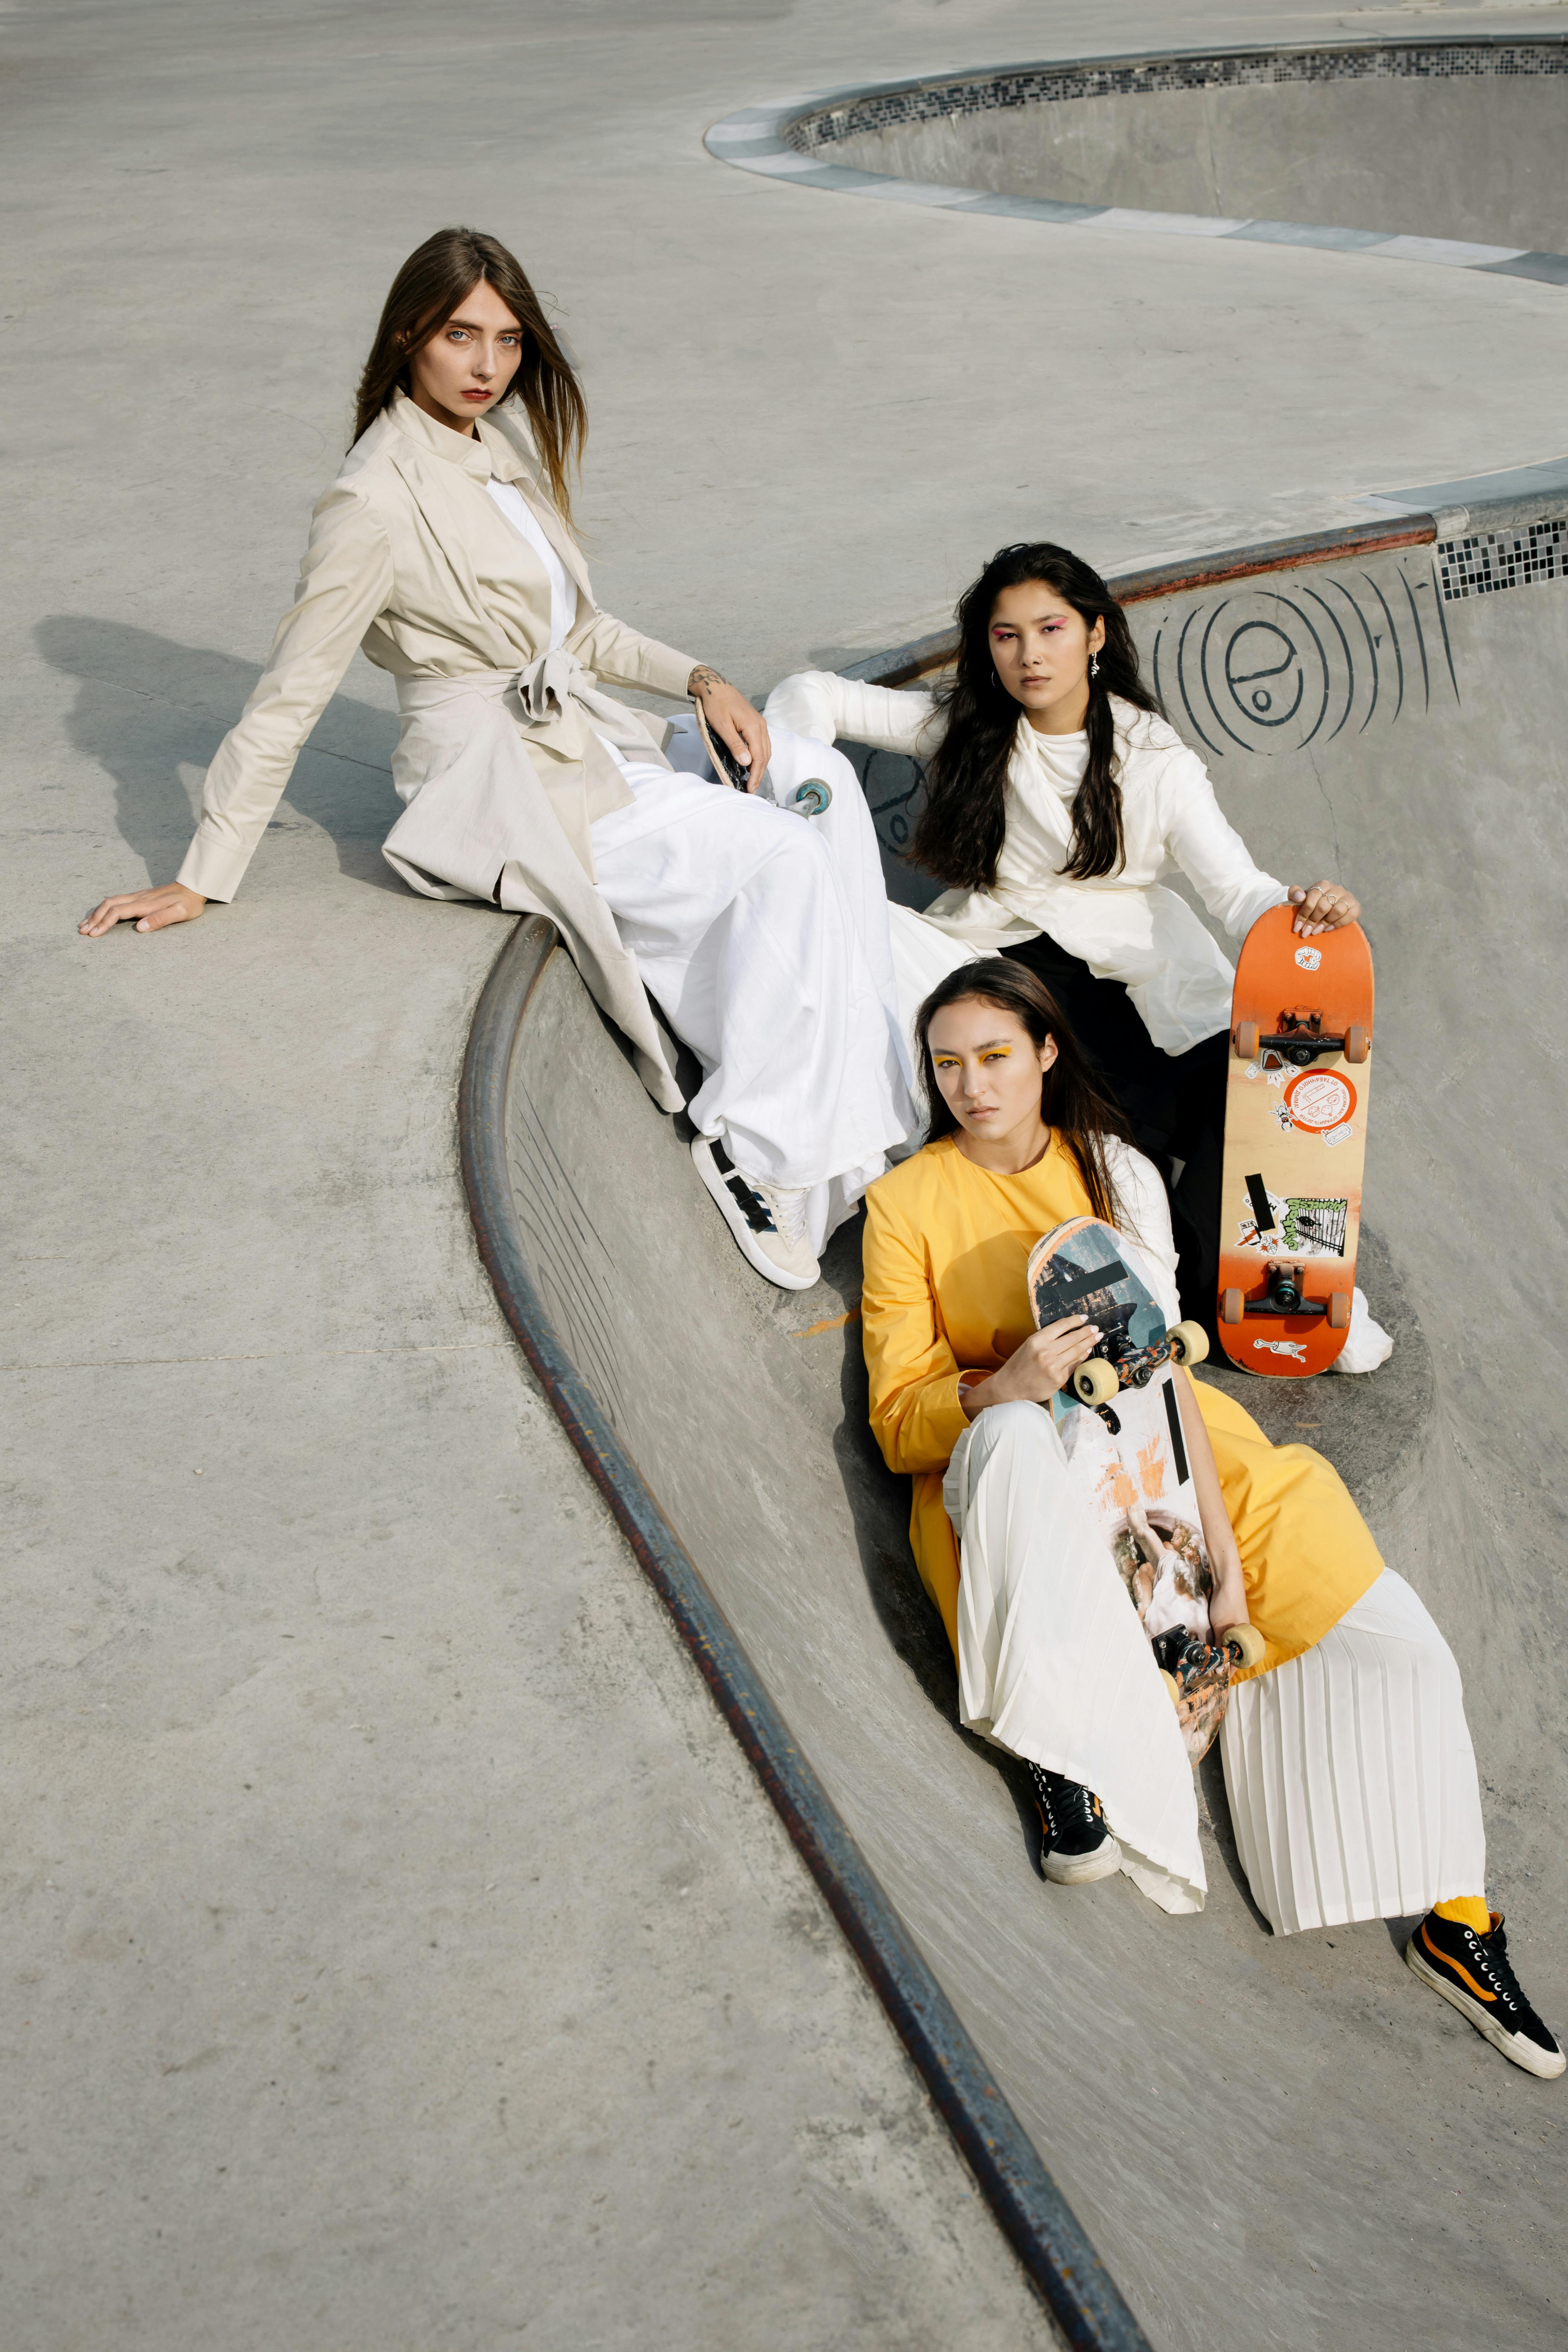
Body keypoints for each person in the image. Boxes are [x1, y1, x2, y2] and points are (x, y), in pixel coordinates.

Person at [80, 226, 915, 1290]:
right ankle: (766, 1158)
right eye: (461, 336)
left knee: (820, 782)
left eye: (509, 341)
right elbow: (291, 691)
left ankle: (871, 1103)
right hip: (500, 779)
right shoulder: (374, 500)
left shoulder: (495, 449)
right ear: (407, 335)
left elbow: (581, 632)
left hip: (581, 736)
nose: (487, 367)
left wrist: (703, 680)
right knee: (781, 858)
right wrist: (206, 871)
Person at [859, 958, 1561, 2079]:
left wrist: (1226, 1574)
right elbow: (901, 1420)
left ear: (1046, 1053)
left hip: (1172, 1454)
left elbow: (1169, 1373)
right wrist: (1005, 1386)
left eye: (995, 1057)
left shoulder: (1119, 1175)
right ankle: (1061, 1758)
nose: (971, 1087)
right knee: (1005, 1443)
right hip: (1020, 1466)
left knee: (1392, 1630)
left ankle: (1455, 1914)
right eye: (948, 1064)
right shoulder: (907, 1207)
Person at [765, 542, 1386, 1359]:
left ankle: (1285, 1295)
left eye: (1051, 629)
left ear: (1095, 634)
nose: (1030, 656)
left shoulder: (1153, 755)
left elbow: (1238, 888)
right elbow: (811, 695)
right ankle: (1180, 1295)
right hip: (1013, 965)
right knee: (857, 936)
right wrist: (795, 792)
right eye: (1006, 636)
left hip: (1141, 978)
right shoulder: (974, 728)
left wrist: (1303, 911)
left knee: (1232, 1114)